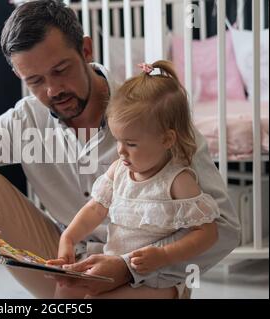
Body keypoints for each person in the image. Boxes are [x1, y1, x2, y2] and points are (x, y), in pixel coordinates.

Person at [0, 0, 240, 299]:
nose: (52, 90)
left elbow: (223, 228)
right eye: (34, 80)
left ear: (85, 49)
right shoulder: (24, 120)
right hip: (66, 263)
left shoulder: (153, 119)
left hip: (149, 274)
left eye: (61, 70)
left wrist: (128, 267)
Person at [47, 61, 220, 299]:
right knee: (66, 288)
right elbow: (95, 208)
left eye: (131, 144)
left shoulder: (176, 180)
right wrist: (68, 237)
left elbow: (207, 232)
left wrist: (165, 255)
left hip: (158, 279)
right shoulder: (119, 170)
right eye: (118, 140)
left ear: (167, 140)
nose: (120, 151)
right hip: (115, 266)